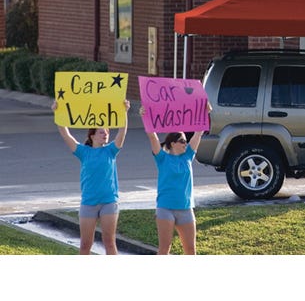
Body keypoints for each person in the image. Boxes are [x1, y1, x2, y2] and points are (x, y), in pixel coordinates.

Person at [55, 99, 130, 255]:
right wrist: (57, 112)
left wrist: (124, 112)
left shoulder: (111, 150)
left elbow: (122, 133)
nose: (105, 135)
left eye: (107, 132)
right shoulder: (83, 152)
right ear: (92, 135)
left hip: (109, 202)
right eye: (101, 132)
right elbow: (65, 134)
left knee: (109, 242)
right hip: (88, 203)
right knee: (85, 245)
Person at [142, 117, 204, 255]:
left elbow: (198, 133)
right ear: (172, 143)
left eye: (186, 141)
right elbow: (152, 136)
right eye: (182, 141)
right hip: (165, 209)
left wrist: (204, 112)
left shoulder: (188, 156)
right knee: (164, 249)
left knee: (191, 250)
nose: (185, 144)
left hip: (186, 209)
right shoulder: (162, 157)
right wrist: (145, 116)